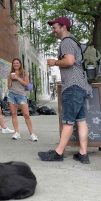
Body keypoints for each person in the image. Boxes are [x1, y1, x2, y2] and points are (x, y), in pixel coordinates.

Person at [38, 17, 92, 164]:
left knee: (68, 121)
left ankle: (58, 152)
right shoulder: (75, 41)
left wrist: (54, 62)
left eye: (55, 27)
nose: (53, 30)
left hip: (72, 87)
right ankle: (83, 153)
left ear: (64, 27)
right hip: (81, 86)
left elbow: (69, 61)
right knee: (81, 121)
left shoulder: (67, 41)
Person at [7, 58, 38, 141]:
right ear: (12, 65)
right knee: (14, 114)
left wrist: (17, 78)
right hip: (12, 95)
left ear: (20, 64)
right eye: (14, 63)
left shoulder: (24, 73)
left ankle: (32, 134)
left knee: (26, 114)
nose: (15, 64)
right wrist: (10, 79)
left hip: (21, 95)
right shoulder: (10, 74)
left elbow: (26, 84)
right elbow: (9, 87)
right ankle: (17, 133)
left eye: (17, 63)